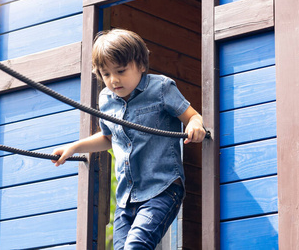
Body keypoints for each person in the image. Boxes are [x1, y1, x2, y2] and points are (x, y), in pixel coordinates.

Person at [52, 28, 206, 250]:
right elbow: (108, 137)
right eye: (106, 74)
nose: (114, 80)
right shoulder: (106, 99)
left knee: (136, 246)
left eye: (121, 71)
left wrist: (195, 125)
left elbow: (192, 116)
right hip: (126, 199)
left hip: (162, 189)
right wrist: (74, 147)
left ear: (141, 65)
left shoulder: (161, 88)